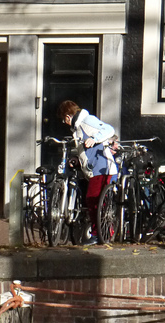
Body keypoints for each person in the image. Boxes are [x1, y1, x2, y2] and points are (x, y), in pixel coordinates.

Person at [57, 100, 117, 245]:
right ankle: (103, 232)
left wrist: (94, 139)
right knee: (93, 200)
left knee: (93, 199)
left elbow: (109, 129)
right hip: (93, 169)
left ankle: (99, 234)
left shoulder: (87, 121)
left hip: (102, 167)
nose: (64, 123)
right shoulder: (77, 129)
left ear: (68, 116)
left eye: (63, 119)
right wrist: (77, 159)